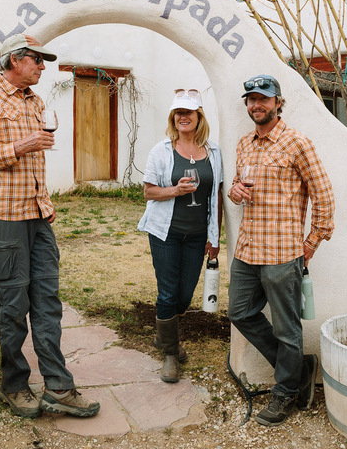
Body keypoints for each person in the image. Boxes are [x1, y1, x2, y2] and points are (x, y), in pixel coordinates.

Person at [0, 33, 100, 420]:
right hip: (2, 218)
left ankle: (58, 386)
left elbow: (35, 162)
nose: (43, 67)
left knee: (48, 301)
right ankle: (15, 385)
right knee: (13, 304)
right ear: (14, 60)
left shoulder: (35, 101)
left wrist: (45, 202)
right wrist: (20, 147)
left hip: (36, 217)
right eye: (37, 60)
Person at [227, 74, 335, 427]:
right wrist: (234, 191)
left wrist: (311, 243)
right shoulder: (244, 143)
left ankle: (286, 391)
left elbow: (324, 195)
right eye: (251, 99)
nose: (256, 105)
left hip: (282, 253)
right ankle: (298, 369)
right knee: (239, 313)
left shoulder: (297, 143)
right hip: (247, 249)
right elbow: (237, 185)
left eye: (263, 98)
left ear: (278, 102)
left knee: (286, 328)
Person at [137, 89, 224, 383]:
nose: (183, 117)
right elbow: (148, 191)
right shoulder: (160, 150)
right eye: (178, 113)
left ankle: (164, 337)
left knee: (184, 296)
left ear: (199, 117)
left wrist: (215, 237)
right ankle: (171, 353)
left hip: (198, 235)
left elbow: (217, 197)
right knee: (168, 292)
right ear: (173, 118)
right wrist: (175, 190)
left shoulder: (214, 153)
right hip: (166, 233)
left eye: (189, 112)